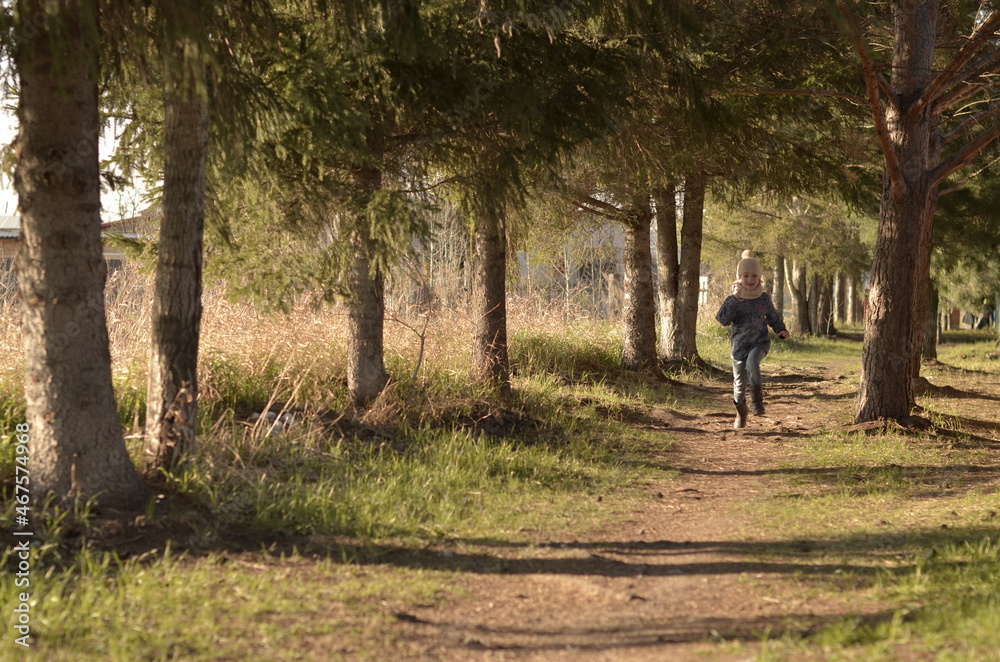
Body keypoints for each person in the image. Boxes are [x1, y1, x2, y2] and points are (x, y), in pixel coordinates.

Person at [715, 250, 790, 429]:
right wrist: (734, 300)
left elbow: (772, 316)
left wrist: (781, 329)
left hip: (759, 342)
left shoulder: (763, 298)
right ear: (739, 278)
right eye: (746, 276)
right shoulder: (732, 300)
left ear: (760, 278)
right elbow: (723, 320)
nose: (750, 280)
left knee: (752, 364)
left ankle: (757, 403)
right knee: (739, 384)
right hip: (739, 348)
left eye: (754, 276)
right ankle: (741, 413)